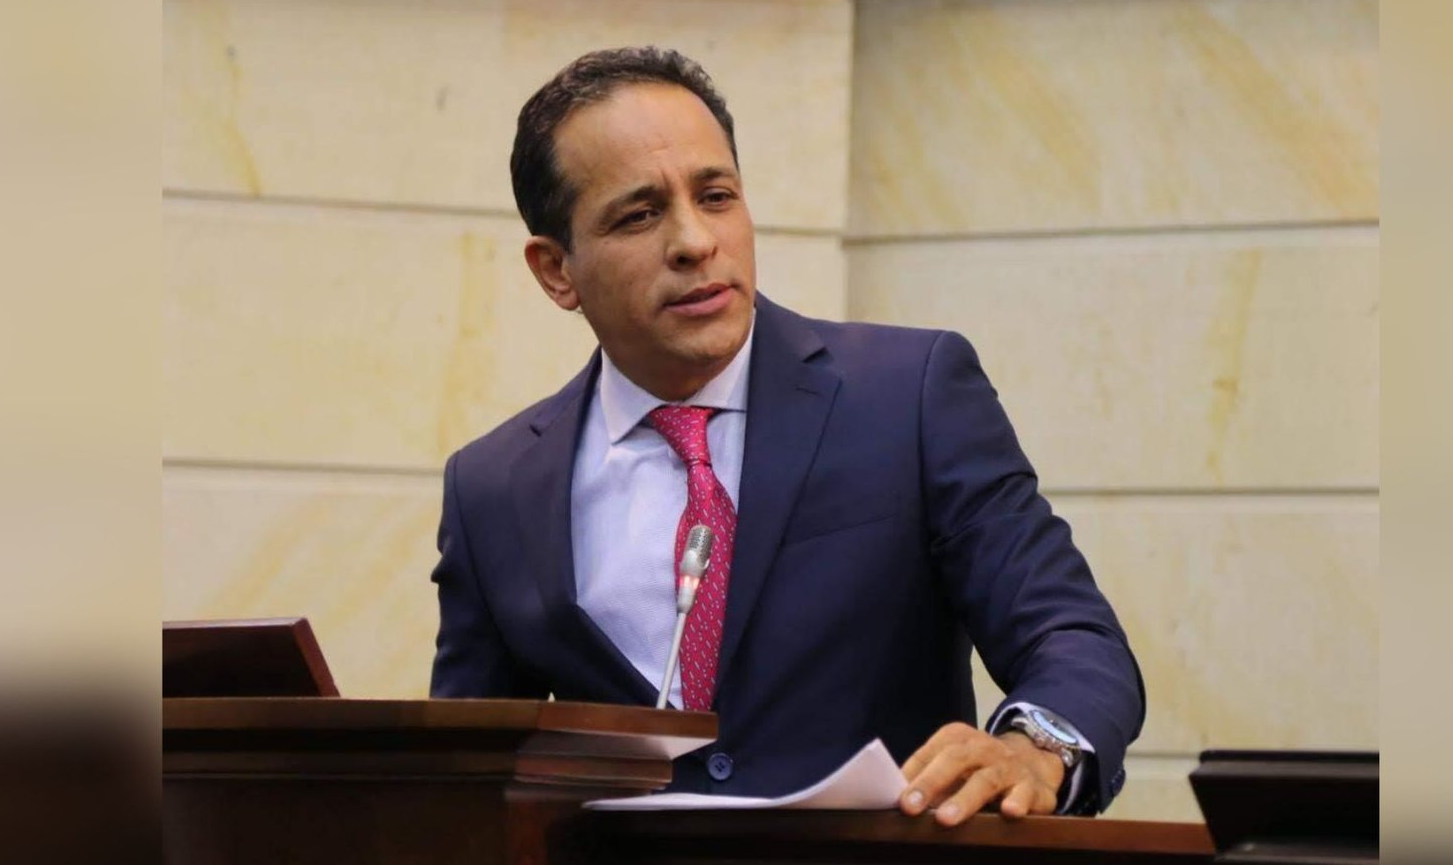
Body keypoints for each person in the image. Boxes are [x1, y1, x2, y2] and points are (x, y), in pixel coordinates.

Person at [430, 47, 1144, 823]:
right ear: (556, 270)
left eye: (716, 197)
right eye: (639, 215)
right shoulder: (493, 488)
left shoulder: (910, 397)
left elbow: (1072, 638)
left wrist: (1035, 749)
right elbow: (467, 781)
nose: (694, 242)